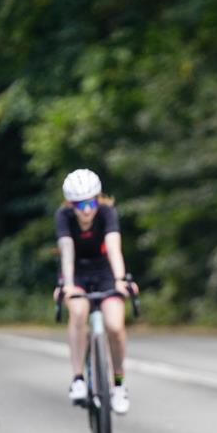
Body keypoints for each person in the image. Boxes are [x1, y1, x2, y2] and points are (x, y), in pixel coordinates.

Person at [55, 169, 136, 415]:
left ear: (98, 199)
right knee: (78, 312)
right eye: (80, 205)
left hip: (105, 272)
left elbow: (113, 248)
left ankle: (119, 385)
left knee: (115, 326)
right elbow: (67, 253)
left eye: (91, 202)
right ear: (71, 204)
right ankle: (78, 378)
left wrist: (121, 280)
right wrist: (67, 285)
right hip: (77, 272)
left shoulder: (107, 213)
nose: (87, 210)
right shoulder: (63, 216)